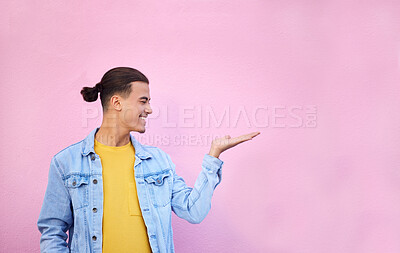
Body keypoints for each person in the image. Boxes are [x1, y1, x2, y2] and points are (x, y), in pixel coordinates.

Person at [37, 67, 260, 252]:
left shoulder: (158, 162)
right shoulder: (67, 163)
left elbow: (194, 211)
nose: (150, 110)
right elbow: (52, 231)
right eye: (143, 101)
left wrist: (214, 156)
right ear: (117, 102)